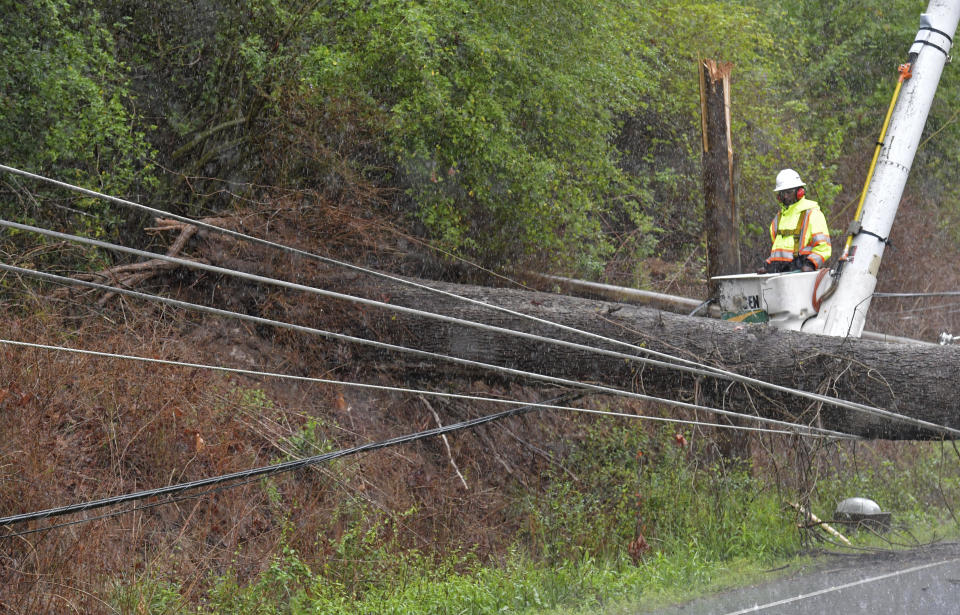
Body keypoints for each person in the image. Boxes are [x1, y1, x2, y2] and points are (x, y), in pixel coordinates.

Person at [756, 169, 831, 274]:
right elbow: (778, 250)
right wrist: (769, 265)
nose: (786, 196)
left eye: (789, 192)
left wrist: (811, 264)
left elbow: (824, 247)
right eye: (782, 193)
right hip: (780, 274)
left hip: (800, 275)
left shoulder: (812, 214)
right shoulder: (779, 218)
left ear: (800, 192)